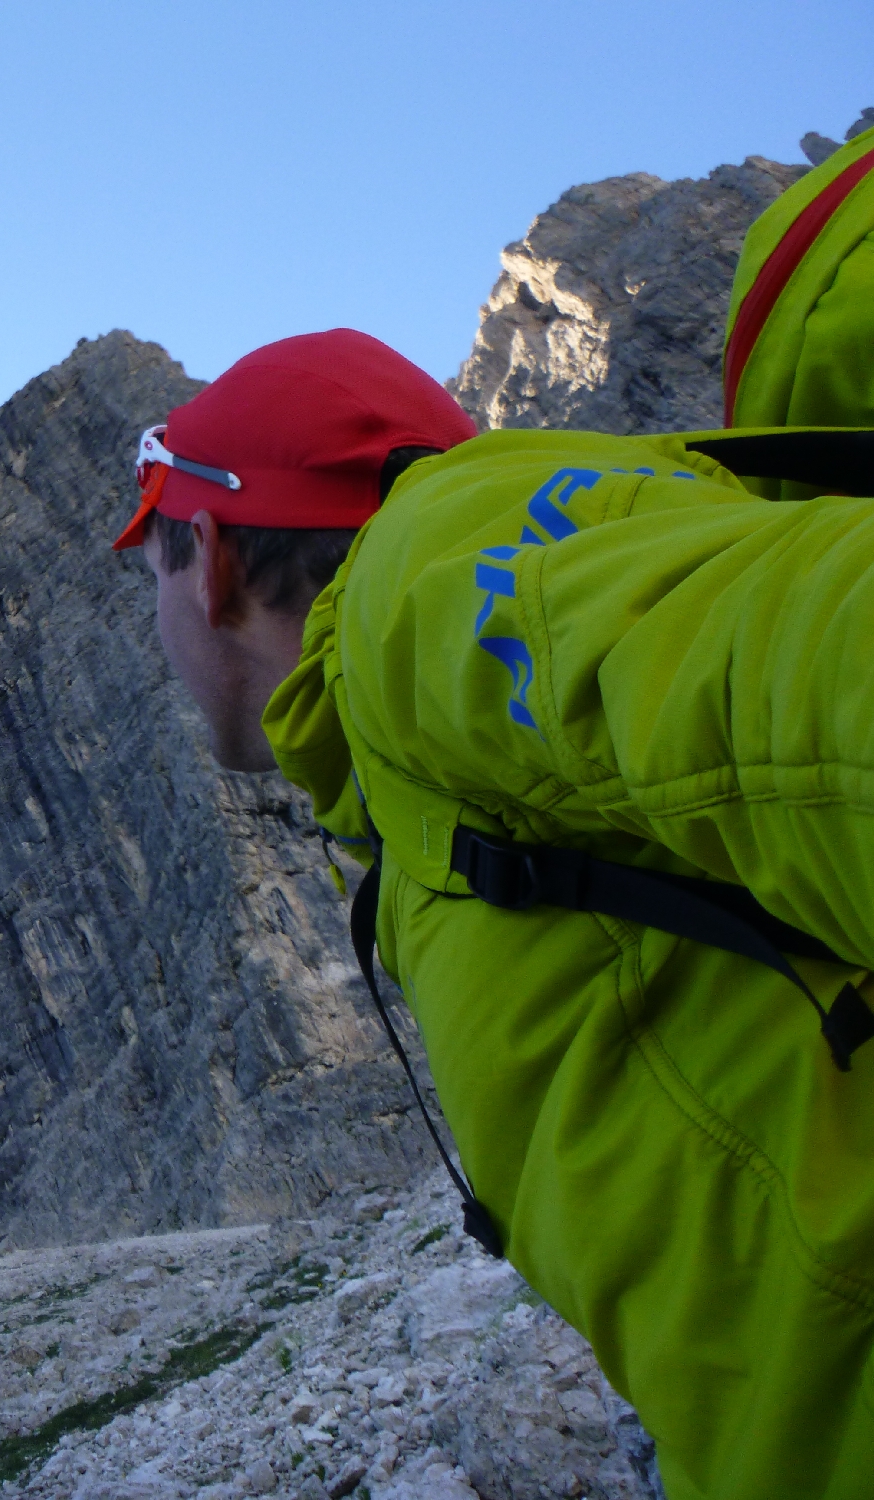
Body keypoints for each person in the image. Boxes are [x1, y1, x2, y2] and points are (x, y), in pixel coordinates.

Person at [114, 315, 874, 1497]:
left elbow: (819, 670)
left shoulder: (424, 581)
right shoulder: (403, 720)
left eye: (149, 568)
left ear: (205, 560)